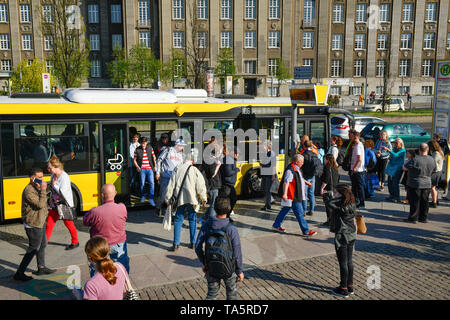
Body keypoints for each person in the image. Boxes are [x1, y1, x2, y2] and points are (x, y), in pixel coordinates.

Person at [195, 197, 244, 300]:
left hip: (211, 267)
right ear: (229, 209)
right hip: (229, 269)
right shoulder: (231, 229)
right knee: (232, 295)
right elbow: (237, 251)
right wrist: (239, 270)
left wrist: (205, 262)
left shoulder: (207, 225)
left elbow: (197, 246)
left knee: (212, 294)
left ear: (215, 209)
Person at [14, 168, 56, 281]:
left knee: (42, 245)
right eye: (39, 177)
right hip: (33, 224)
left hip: (40, 221)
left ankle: (41, 267)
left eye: (42, 176)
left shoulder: (36, 187)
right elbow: (40, 204)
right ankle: (19, 273)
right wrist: (43, 190)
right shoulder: (28, 190)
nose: (42, 179)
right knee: (33, 248)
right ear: (32, 178)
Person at [83, 184, 129, 275]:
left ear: (102, 195)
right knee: (121, 268)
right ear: (115, 193)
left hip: (99, 246)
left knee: (97, 270)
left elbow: (85, 222)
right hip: (119, 244)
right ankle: (122, 286)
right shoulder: (122, 207)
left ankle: (98, 287)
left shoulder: (95, 211)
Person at [165, 156, 207, 252]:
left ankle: (176, 244)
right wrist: (203, 198)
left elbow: (171, 185)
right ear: (192, 161)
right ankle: (193, 243)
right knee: (192, 220)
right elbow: (201, 185)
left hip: (180, 200)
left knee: (178, 220)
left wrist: (168, 198)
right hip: (192, 200)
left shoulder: (177, 168)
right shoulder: (194, 170)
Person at [272, 154, 317, 236]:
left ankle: (276, 225)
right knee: (300, 214)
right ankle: (306, 231)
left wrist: (306, 182)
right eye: (301, 162)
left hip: (294, 195)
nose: (303, 163)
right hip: (293, 195)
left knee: (285, 210)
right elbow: (286, 182)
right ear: (297, 162)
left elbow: (299, 178)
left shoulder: (296, 168)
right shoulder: (290, 170)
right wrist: (285, 194)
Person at [325, 184, 357, 298]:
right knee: (349, 262)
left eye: (336, 192)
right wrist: (343, 196)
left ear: (342, 194)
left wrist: (339, 197)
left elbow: (329, 203)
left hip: (342, 236)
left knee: (343, 262)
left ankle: (343, 289)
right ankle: (350, 286)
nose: (334, 194)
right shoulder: (352, 202)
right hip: (351, 235)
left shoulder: (342, 207)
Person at [45, 156, 79, 250]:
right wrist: (51, 197)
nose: (48, 170)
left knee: (68, 224)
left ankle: (75, 242)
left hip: (64, 204)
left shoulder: (64, 177)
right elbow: (53, 189)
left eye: (50, 168)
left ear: (56, 167)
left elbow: (62, 192)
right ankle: (44, 243)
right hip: (55, 204)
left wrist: (55, 184)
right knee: (49, 224)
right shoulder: (53, 176)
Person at [82, 236, 128, 300]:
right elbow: (125, 292)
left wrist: (79, 296)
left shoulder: (91, 285)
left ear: (90, 258)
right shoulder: (120, 267)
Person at [403, 143, 436, 223]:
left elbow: (404, 167)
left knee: (415, 202)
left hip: (415, 183)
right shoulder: (432, 159)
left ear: (419, 149)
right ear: (427, 150)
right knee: (425, 201)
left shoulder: (415, 159)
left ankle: (414, 218)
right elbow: (435, 170)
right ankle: (424, 218)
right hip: (427, 183)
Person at [155, 138, 185, 215]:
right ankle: (158, 206)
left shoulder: (181, 155)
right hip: (166, 177)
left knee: (175, 196)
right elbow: (159, 160)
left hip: (175, 178)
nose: (183, 148)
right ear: (177, 145)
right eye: (182, 146)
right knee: (163, 195)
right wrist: (158, 172)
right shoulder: (168, 150)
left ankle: (173, 214)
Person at [200, 142, 222, 222]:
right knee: (213, 204)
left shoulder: (207, 158)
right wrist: (218, 166)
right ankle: (211, 221)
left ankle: (204, 218)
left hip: (210, 184)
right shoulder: (212, 161)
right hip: (213, 184)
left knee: (212, 203)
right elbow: (212, 174)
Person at [301, 140, 322, 216]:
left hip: (306, 176)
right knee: (311, 193)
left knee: (304, 194)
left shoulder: (304, 155)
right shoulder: (314, 154)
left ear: (304, 146)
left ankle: (303, 211)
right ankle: (311, 210)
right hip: (313, 175)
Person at [133, 136, 157, 205]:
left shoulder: (150, 148)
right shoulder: (137, 150)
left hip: (150, 169)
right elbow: (134, 160)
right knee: (142, 184)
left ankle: (151, 198)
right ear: (140, 143)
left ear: (146, 143)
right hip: (142, 169)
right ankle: (143, 196)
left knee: (152, 183)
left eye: (144, 143)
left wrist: (155, 166)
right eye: (142, 143)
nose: (143, 145)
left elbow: (154, 157)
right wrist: (137, 167)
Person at [319, 154, 339, 226]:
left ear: (327, 159)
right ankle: (334, 220)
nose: (323, 160)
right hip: (334, 189)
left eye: (324, 159)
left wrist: (322, 188)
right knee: (333, 206)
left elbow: (326, 179)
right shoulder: (335, 167)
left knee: (328, 206)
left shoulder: (327, 167)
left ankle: (329, 220)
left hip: (328, 189)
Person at [384, 138, 406, 203]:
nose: (395, 144)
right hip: (391, 167)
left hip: (398, 168)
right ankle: (391, 195)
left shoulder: (403, 150)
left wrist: (388, 150)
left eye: (396, 143)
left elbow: (396, 155)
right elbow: (392, 156)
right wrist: (390, 157)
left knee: (395, 183)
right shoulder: (394, 149)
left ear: (400, 144)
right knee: (390, 182)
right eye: (394, 143)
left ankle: (397, 197)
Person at [220, 144, 240, 215]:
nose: (237, 155)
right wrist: (237, 169)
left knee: (232, 199)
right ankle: (225, 216)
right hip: (226, 185)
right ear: (232, 153)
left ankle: (227, 216)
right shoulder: (228, 159)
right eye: (236, 153)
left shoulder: (231, 159)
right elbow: (228, 172)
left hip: (230, 184)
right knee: (226, 202)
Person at [350, 131, 365, 209]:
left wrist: (355, 167)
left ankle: (361, 203)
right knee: (355, 187)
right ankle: (357, 201)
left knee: (359, 187)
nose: (350, 138)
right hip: (356, 169)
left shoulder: (358, 146)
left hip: (358, 170)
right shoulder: (357, 145)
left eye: (351, 136)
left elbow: (359, 159)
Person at [260, 140, 277, 211]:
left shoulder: (271, 153)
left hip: (269, 174)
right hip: (265, 174)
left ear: (268, 146)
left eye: (264, 145)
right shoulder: (266, 153)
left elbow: (273, 165)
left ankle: (268, 205)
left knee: (267, 190)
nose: (262, 147)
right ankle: (268, 204)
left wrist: (273, 175)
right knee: (265, 190)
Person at [428, 140, 444, 208]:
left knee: (432, 188)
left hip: (435, 172)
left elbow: (434, 166)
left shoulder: (435, 154)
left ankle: (434, 202)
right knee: (434, 188)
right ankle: (435, 201)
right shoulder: (440, 152)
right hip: (439, 172)